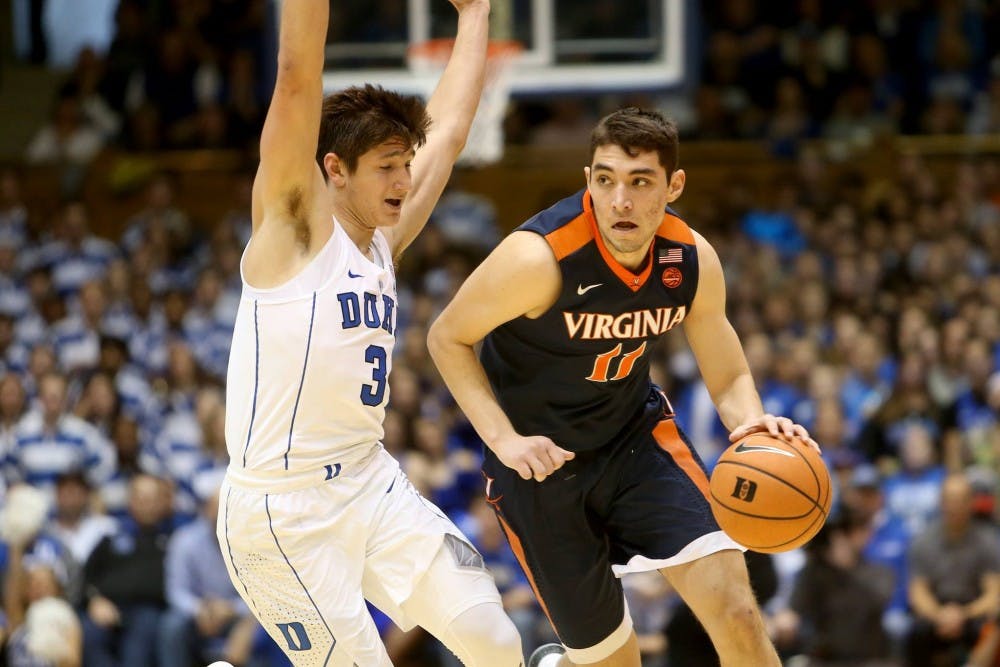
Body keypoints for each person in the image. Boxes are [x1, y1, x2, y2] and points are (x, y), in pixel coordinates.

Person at [428, 107, 819, 667]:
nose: (621, 201)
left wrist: (750, 424)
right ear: (588, 179)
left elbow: (727, 371)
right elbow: (447, 337)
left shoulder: (689, 259)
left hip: (634, 442)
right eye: (606, 180)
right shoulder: (538, 258)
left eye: (640, 183)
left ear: (673, 185)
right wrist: (504, 441)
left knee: (737, 614)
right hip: (540, 471)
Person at [218, 0, 523, 665]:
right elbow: (298, 74)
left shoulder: (385, 238)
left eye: (405, 164)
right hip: (281, 514)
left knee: (495, 638)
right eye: (387, 166)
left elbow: (452, 129)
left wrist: (474, 16)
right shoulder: (293, 233)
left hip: (368, 480)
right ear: (334, 170)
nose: (405, 180)